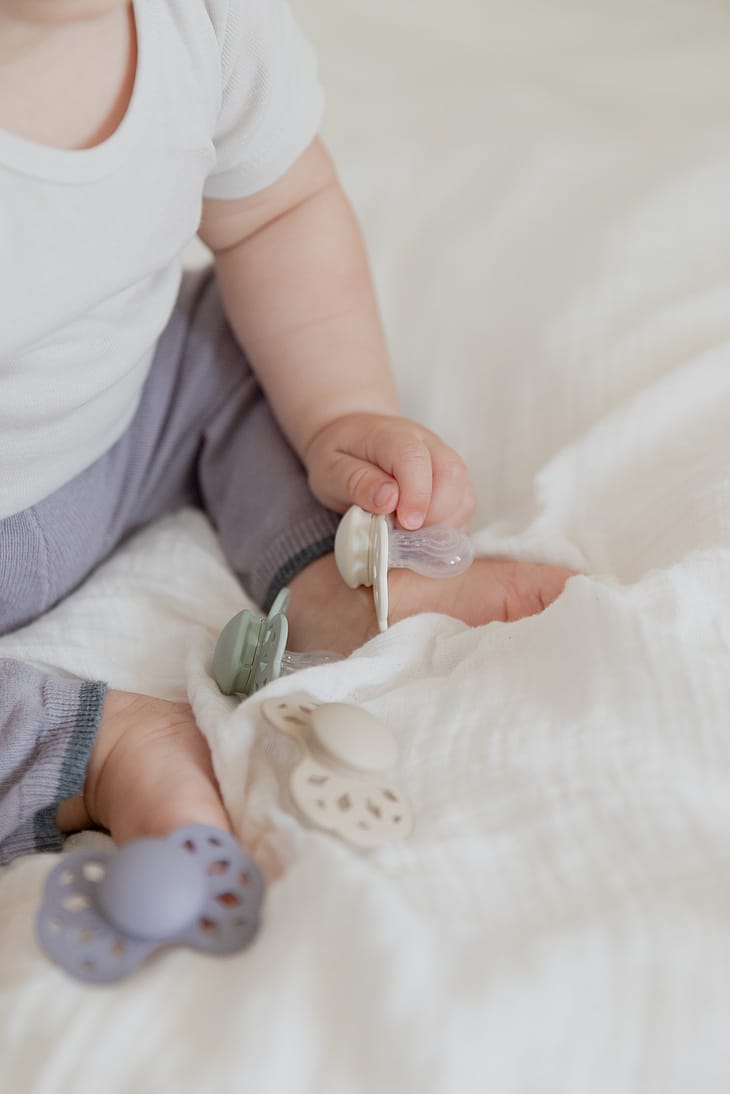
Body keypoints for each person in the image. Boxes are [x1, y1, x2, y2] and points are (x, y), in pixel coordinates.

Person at [0, 0, 572, 865]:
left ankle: (340, 578)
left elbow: (276, 211)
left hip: (123, 421)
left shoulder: (202, 21)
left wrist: (344, 415)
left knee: (248, 338)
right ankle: (83, 748)